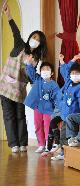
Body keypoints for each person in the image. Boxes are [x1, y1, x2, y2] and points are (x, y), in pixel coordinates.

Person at [0, 2, 47, 153]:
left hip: (19, 91)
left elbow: (33, 79)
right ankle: (14, 144)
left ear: (40, 45)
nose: (35, 40)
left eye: (38, 40)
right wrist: (9, 15)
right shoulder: (19, 44)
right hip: (6, 88)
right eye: (34, 37)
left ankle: (22, 143)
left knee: (20, 116)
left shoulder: (36, 58)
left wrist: (31, 66)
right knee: (9, 116)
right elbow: (15, 31)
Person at [24, 58, 60, 153]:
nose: (45, 71)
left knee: (47, 125)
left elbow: (57, 97)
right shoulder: (37, 79)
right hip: (38, 107)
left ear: (52, 73)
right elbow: (31, 72)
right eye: (43, 69)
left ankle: (49, 143)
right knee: (38, 125)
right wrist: (29, 63)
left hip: (49, 109)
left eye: (47, 69)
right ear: (40, 72)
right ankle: (41, 144)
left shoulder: (54, 85)